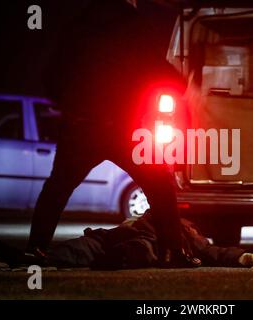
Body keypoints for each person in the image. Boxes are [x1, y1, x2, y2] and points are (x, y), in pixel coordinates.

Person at [27, 0, 198, 267]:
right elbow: (151, 66)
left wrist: (71, 105)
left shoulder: (78, 25)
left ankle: (34, 249)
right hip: (123, 126)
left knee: (56, 189)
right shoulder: (135, 26)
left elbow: (51, 75)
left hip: (81, 124)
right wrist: (176, 80)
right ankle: (173, 251)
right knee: (159, 187)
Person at [0, 210, 253, 270]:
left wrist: (241, 256)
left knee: (139, 250)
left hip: (139, 242)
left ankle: (113, 259)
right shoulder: (150, 216)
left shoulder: (184, 233)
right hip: (112, 236)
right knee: (78, 248)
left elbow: (212, 251)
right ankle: (33, 258)